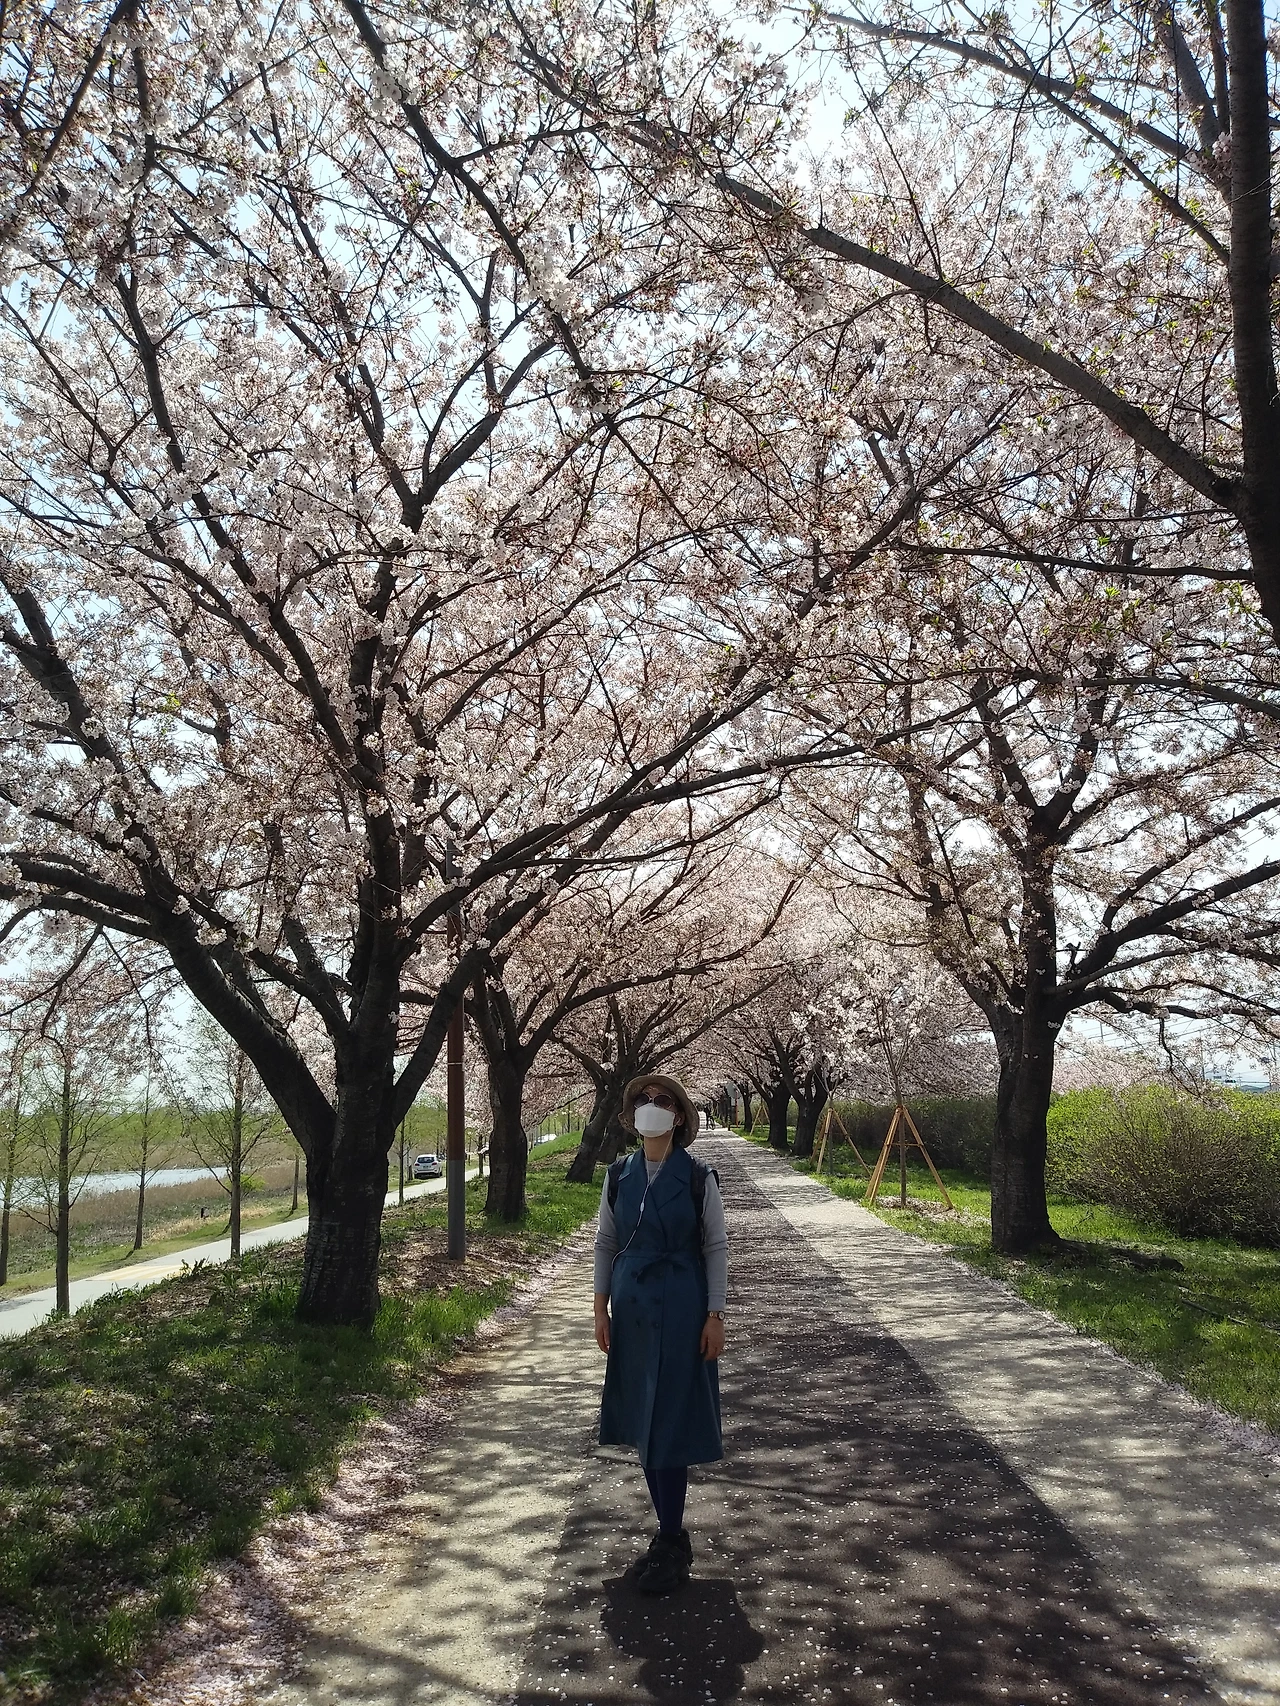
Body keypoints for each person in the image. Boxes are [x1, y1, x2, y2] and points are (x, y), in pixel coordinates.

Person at [593, 1072, 728, 1596]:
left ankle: (671, 1536)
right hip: (631, 1307)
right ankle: (669, 1534)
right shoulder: (617, 1176)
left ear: (679, 1116)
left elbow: (715, 1247)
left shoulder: (697, 1177)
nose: (652, 1106)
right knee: (642, 1420)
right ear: (632, 1115)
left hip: (683, 1305)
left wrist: (715, 1314)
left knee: (668, 1420)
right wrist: (599, 1307)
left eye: (663, 1100)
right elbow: (606, 1242)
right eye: (643, 1100)